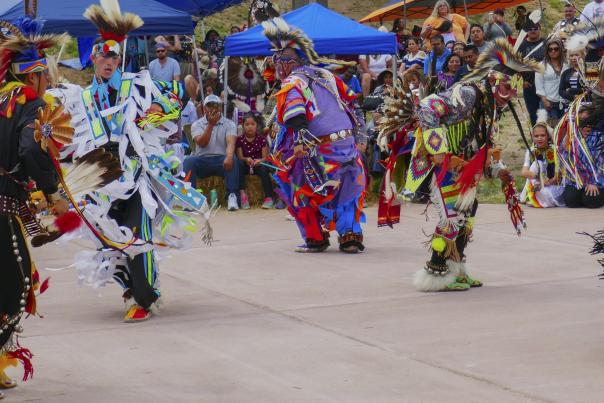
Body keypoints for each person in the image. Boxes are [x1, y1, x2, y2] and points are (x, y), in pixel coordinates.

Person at [50, 0, 207, 323]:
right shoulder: (81, 96)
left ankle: (144, 296)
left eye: (115, 56)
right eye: (104, 55)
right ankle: (130, 289)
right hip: (99, 181)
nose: (110, 61)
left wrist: (156, 114)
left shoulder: (137, 84)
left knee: (136, 233)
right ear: (93, 57)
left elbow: (177, 98)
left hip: (135, 176)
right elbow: (60, 128)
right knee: (108, 238)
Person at [381, 39, 542, 291]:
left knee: (469, 209)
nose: (510, 95)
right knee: (452, 216)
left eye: (514, 90)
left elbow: (487, 146)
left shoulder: (492, 108)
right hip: (444, 164)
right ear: (493, 82)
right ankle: (435, 273)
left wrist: (500, 171)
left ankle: (456, 269)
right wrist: (440, 151)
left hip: (463, 167)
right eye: (507, 88)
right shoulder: (469, 94)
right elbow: (426, 108)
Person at [0, 14, 71, 398]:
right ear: (34, 76)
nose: (48, 83)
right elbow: (30, 147)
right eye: (45, 75)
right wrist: (53, 192)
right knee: (16, 289)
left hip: (9, 203)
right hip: (2, 207)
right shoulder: (30, 102)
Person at [261, 17, 367, 253]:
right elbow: (354, 105)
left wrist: (299, 139)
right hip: (346, 144)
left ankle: (316, 237)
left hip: (320, 148)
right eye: (277, 60)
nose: (278, 66)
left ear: (292, 62)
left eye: (282, 60)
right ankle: (350, 235)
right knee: (347, 186)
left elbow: (296, 112)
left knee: (298, 187)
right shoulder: (327, 75)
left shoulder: (293, 81)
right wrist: (360, 136)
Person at [184, 95, 240, 211]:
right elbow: (202, 143)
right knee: (189, 161)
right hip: (202, 161)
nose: (212, 108)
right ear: (204, 108)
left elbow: (231, 143)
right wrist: (210, 124)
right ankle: (190, 199)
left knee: (233, 158)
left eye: (215, 105)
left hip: (221, 161)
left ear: (220, 107)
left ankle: (232, 195)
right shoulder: (197, 124)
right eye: (209, 106)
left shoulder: (230, 124)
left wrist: (229, 156)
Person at [520, 112, 565, 208]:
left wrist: (545, 183)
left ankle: (536, 198)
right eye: (536, 136)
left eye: (542, 135)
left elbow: (557, 177)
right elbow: (524, 172)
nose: (539, 138)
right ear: (532, 137)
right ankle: (533, 196)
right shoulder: (531, 151)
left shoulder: (555, 150)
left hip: (553, 185)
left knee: (546, 194)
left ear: (548, 136)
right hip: (536, 183)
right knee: (536, 165)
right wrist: (538, 178)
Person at [237, 113, 275, 209]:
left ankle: (269, 197)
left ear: (256, 126)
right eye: (247, 124)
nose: (250, 127)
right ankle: (243, 195)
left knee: (263, 167)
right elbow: (240, 157)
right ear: (243, 126)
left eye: (252, 124)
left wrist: (259, 161)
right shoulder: (240, 140)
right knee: (239, 164)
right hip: (246, 165)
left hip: (257, 165)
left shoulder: (261, 139)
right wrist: (246, 159)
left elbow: (265, 157)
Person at [517, 23, 545, 125]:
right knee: (533, 114)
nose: (533, 30)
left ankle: (548, 137)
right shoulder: (521, 45)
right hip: (529, 85)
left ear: (540, 29)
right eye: (530, 28)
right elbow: (515, 67)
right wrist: (522, 82)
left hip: (545, 84)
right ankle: (536, 137)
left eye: (535, 28)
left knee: (546, 113)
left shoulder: (546, 43)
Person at [535, 38, 567, 122]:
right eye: (550, 49)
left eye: (556, 49)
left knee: (564, 128)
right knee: (550, 129)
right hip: (549, 102)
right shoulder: (541, 65)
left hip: (565, 102)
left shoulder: (566, 64)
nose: (553, 51)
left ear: (560, 50)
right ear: (547, 51)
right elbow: (539, 86)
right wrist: (544, 100)